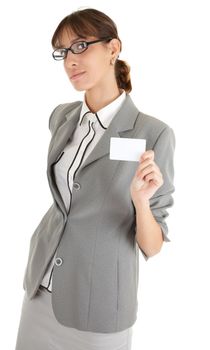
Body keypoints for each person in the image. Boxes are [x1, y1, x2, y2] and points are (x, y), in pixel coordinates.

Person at [15, 7, 175, 350]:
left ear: (113, 49)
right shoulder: (62, 117)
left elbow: (153, 245)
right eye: (62, 51)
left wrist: (141, 201)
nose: (70, 60)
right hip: (41, 290)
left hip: (100, 304)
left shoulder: (154, 133)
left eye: (81, 46)